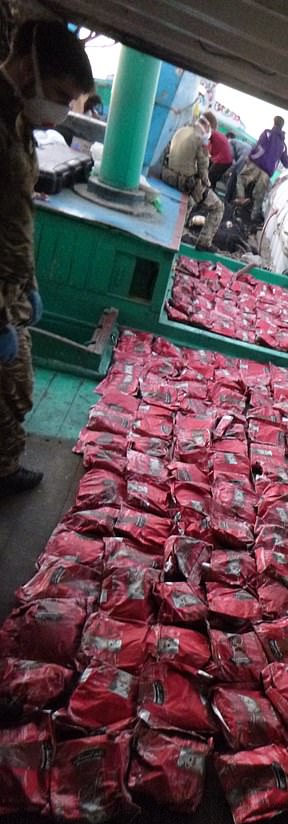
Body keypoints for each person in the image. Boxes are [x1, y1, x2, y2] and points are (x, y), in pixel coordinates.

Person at [0, 19, 93, 496]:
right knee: (11, 384)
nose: (57, 111)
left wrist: (28, 283)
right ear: (24, 65)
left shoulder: (20, 123)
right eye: (56, 92)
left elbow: (16, 216)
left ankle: (5, 462)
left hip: (11, 289)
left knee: (16, 389)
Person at [160, 115, 223, 251]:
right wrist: (208, 183)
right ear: (208, 127)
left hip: (168, 176)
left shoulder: (181, 130)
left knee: (191, 201)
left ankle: (179, 231)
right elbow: (203, 172)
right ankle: (204, 242)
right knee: (218, 206)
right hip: (184, 182)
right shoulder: (201, 139)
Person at [235, 115, 288, 224]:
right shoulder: (283, 145)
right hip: (268, 172)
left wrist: (250, 157)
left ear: (274, 122)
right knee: (259, 193)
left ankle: (241, 198)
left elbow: (259, 147)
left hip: (257, 165)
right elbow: (285, 161)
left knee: (241, 179)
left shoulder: (267, 133)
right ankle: (253, 216)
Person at [203, 111, 233, 191]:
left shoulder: (211, 133)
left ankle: (206, 194)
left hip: (223, 160)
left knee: (210, 177)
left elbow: (204, 147)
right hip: (227, 161)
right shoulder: (217, 134)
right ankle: (209, 192)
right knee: (213, 178)